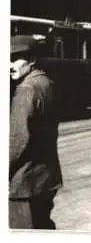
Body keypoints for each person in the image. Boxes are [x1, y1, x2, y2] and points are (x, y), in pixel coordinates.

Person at [9, 35, 62, 229]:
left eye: (16, 58)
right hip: (45, 177)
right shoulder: (46, 83)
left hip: (24, 182)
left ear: (31, 60)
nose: (9, 64)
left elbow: (17, 139)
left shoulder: (26, 89)